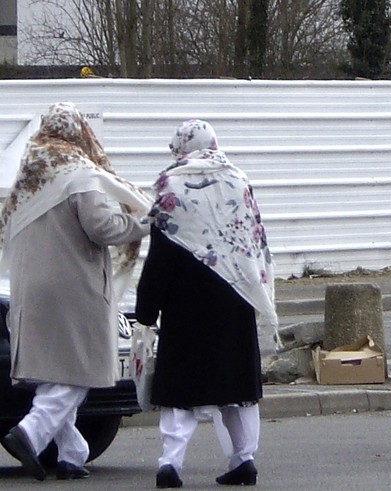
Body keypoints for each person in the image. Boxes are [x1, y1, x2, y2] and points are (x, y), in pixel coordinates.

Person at [0, 102, 151, 481]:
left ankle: (71, 453)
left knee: (55, 370)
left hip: (28, 286)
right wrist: (143, 223)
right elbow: (103, 228)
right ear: (80, 131)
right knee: (80, 370)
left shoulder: (27, 177)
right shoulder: (79, 173)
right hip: (72, 285)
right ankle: (30, 433)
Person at [135, 119, 279, 488]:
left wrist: (147, 311)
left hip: (186, 302)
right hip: (235, 296)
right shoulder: (239, 181)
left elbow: (161, 255)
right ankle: (243, 459)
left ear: (181, 146)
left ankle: (171, 463)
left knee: (179, 389)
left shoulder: (171, 185)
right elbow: (256, 245)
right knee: (236, 388)